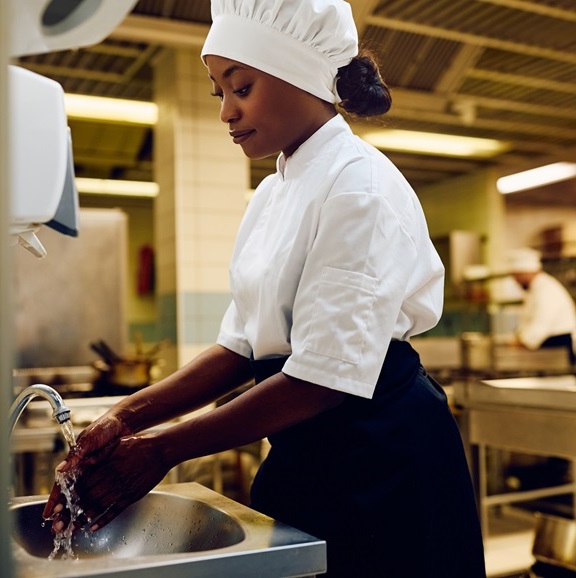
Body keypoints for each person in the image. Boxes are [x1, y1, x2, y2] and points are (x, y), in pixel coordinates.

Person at [44, 1, 486, 576]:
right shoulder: (271, 195)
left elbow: (323, 377)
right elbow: (241, 348)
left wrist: (160, 449)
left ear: (300, 75)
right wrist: (125, 418)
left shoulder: (359, 185)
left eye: (242, 86)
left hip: (384, 456)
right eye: (218, 92)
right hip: (306, 449)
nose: (226, 111)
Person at [506, 247, 576, 366]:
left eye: (516, 276)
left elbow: (542, 323)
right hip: (548, 347)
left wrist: (523, 342)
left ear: (527, 272)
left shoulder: (546, 289)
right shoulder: (535, 289)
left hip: (557, 346)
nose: (515, 281)